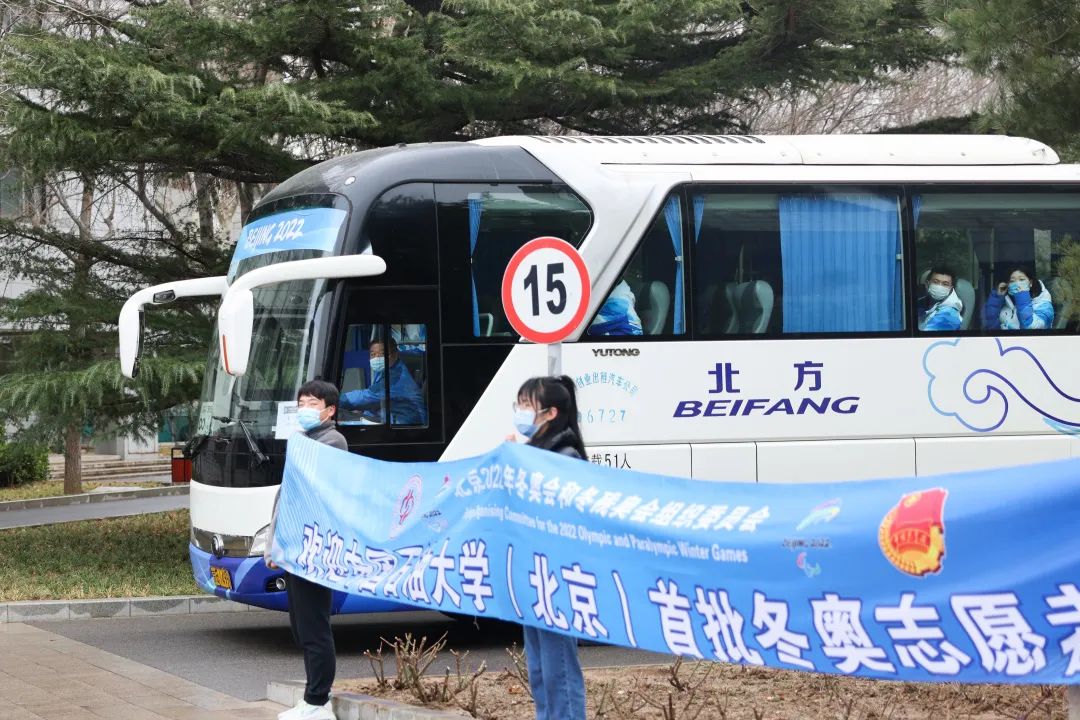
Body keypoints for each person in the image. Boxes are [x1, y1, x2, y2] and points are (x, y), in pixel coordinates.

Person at [265, 380, 348, 720]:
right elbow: (286, 498)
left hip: (314, 548)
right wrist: (275, 545)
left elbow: (314, 490)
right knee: (301, 626)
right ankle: (312, 698)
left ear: (330, 410)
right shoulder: (303, 440)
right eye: (301, 403)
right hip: (296, 547)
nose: (304, 409)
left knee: (314, 627)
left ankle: (318, 701)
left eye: (312, 403)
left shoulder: (332, 441)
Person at [510, 375, 588, 720]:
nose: (520, 411)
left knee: (559, 669)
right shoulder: (535, 453)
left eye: (527, 405)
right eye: (519, 404)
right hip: (535, 573)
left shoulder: (565, 457)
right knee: (540, 670)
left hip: (558, 575)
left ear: (551, 413)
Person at [339, 337, 427, 425]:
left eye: (382, 354)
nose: (377, 358)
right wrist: (363, 412)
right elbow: (376, 400)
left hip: (405, 425)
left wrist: (335, 399)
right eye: (373, 354)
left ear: (395, 354)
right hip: (388, 417)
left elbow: (367, 396)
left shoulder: (396, 378)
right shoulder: (387, 369)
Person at [982, 266, 1054, 330]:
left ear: (1030, 283)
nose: (1017, 284)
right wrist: (997, 298)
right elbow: (989, 327)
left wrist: (1022, 296)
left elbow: (1031, 329)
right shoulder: (1006, 304)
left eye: (1021, 279)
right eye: (1012, 281)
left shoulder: (1044, 305)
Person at [917, 266, 963, 332]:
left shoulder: (949, 315)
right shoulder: (923, 302)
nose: (939, 286)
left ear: (951, 289)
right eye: (935, 282)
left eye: (945, 284)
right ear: (927, 284)